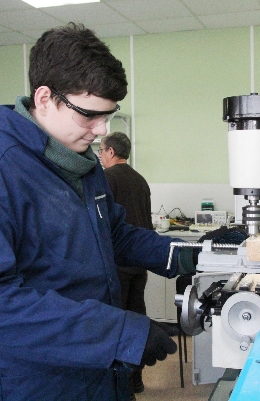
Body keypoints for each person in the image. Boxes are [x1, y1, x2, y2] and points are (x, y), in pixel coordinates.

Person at [0, 23, 193, 401]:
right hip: (34, 384)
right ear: (44, 98)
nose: (101, 130)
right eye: (89, 115)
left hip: (100, 373)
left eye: (108, 115)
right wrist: (119, 334)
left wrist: (185, 254)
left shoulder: (82, 164)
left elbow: (114, 235)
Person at [98, 132, 151, 396]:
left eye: (100, 150)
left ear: (110, 152)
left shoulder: (107, 178)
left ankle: (122, 386)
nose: (99, 156)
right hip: (140, 263)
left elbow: (102, 223)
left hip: (118, 264)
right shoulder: (140, 180)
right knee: (137, 319)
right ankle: (136, 379)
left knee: (116, 324)